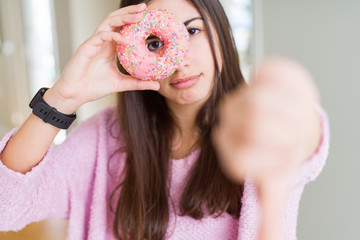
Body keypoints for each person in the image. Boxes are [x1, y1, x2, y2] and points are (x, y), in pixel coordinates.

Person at [0, 0, 329, 239]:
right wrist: (62, 98)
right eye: (155, 42)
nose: (180, 60)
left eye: (193, 30)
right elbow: (6, 208)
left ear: (221, 30)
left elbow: (296, 136)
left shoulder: (250, 129)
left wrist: (295, 117)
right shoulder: (105, 139)